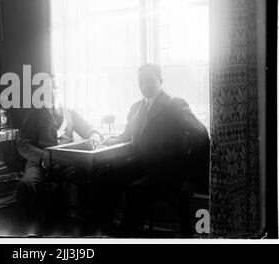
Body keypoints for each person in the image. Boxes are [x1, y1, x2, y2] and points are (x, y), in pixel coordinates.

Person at [104, 63, 210, 236]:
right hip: (143, 166)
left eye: (149, 81)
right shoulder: (136, 108)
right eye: (141, 82)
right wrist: (108, 141)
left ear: (161, 81)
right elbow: (126, 136)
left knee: (135, 191)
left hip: (168, 171)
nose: (144, 86)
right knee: (107, 177)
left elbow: (201, 134)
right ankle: (103, 230)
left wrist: (191, 174)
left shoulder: (174, 104)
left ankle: (125, 236)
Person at [16, 75, 102, 233]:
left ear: (60, 90)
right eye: (48, 88)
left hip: (66, 163)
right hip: (40, 163)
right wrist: (43, 158)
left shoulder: (69, 112)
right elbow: (23, 144)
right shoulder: (34, 114)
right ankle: (32, 231)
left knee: (90, 179)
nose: (53, 91)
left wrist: (94, 135)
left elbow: (89, 128)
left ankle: (88, 230)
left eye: (55, 87)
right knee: (26, 185)